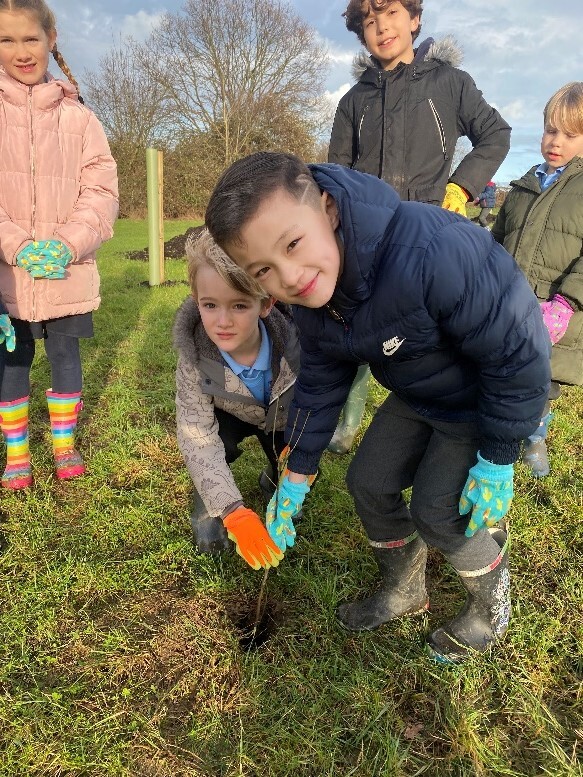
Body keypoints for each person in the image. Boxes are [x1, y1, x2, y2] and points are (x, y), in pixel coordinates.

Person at [205, 151, 551, 664]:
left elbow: (517, 349)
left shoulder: (429, 249)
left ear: (328, 208)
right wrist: (296, 474)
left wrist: (498, 453)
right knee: (367, 482)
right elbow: (321, 385)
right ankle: (405, 590)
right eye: (265, 270)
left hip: (482, 400)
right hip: (419, 396)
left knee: (438, 511)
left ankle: (489, 608)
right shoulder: (313, 303)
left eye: (294, 244)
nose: (292, 276)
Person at [327, 0, 511, 454]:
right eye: (369, 22)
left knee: (443, 335)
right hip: (367, 243)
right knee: (357, 330)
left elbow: (496, 134)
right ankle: (344, 426)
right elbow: (336, 173)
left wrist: (461, 188)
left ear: (414, 19)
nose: (381, 27)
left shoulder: (450, 83)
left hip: (433, 237)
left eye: (389, 14)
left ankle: (458, 423)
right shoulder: (355, 101)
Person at [0, 0, 119, 490]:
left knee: (66, 355)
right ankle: (17, 452)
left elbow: (101, 190)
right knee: (12, 360)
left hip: (67, 271)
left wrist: (68, 244)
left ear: (52, 38)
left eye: (31, 38)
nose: (21, 51)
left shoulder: (82, 120)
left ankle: (64, 443)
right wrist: (15, 245)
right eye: (6, 40)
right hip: (8, 273)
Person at [173, 229, 301, 569]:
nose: (222, 321)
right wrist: (232, 510)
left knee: (287, 460)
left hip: (284, 415)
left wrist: (297, 474)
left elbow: (320, 403)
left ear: (266, 303)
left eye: (240, 305)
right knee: (216, 445)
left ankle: (275, 482)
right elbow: (197, 435)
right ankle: (211, 508)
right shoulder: (195, 357)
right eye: (209, 305)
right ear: (196, 297)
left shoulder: (296, 344)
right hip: (229, 414)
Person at [492, 82, 583, 478]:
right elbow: (497, 241)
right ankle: (499, 430)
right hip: (508, 303)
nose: (555, 141)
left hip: (556, 310)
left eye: (569, 134)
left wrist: (567, 303)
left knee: (541, 383)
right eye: (550, 129)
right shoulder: (524, 185)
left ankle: (535, 432)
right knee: (497, 374)